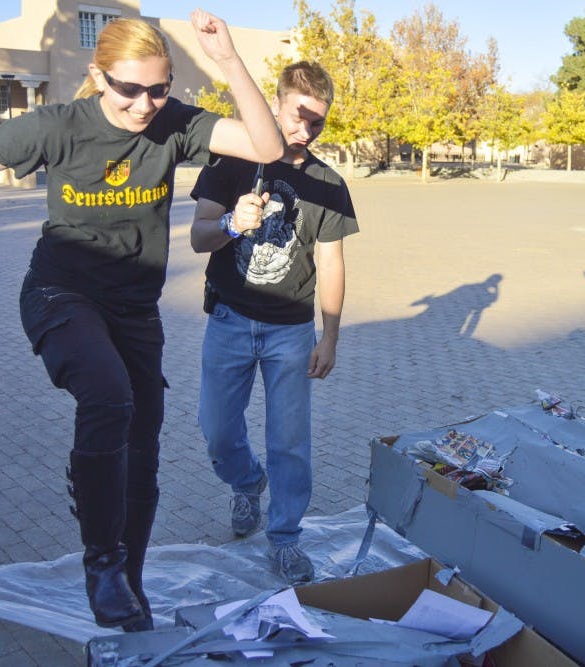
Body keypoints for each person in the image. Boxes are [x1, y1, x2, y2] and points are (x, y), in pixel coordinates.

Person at [0, 10, 282, 630]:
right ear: (97, 76)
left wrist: (227, 59)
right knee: (108, 397)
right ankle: (101, 561)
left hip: (134, 311)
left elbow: (267, 145)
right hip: (60, 294)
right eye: (128, 88)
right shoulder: (57, 126)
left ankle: (129, 588)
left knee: (141, 458)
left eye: (159, 88)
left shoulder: (173, 124)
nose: (145, 104)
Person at [189, 61, 358, 584]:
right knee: (216, 430)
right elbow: (198, 237)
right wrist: (230, 223)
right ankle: (246, 483)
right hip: (230, 318)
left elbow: (331, 262)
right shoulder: (231, 162)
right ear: (276, 103)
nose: (304, 131)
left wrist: (328, 336)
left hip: (290, 330)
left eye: (318, 123)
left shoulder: (328, 183)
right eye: (297, 117)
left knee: (289, 441)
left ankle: (284, 537)